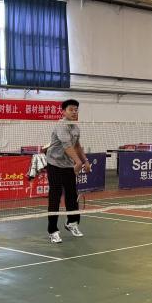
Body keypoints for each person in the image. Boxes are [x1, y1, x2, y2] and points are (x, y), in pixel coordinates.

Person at [45, 99, 89, 243]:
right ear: (63, 111)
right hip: (54, 164)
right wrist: (78, 162)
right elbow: (67, 147)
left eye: (76, 110)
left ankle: (72, 223)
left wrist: (85, 161)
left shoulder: (76, 128)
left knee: (72, 196)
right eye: (71, 109)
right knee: (55, 196)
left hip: (67, 165)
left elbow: (76, 146)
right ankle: (52, 230)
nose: (74, 112)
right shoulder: (61, 126)